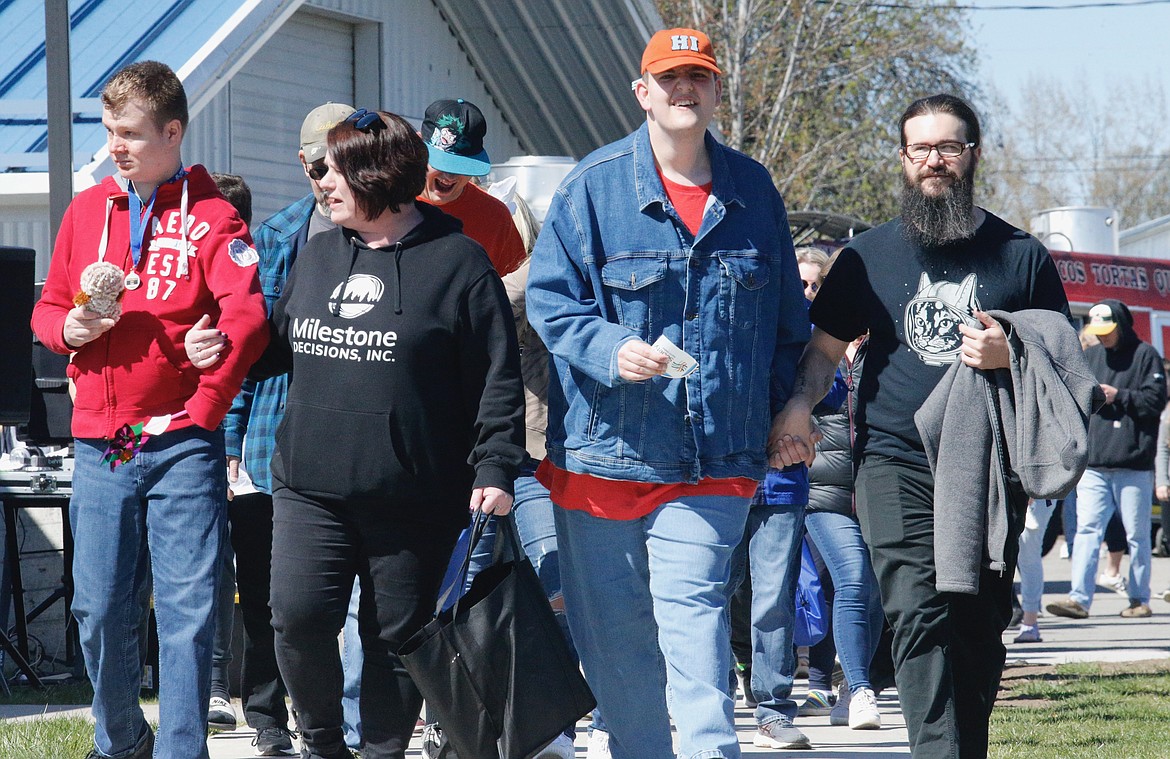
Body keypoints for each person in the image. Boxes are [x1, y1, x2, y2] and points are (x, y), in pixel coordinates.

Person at [526, 27, 810, 759]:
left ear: (717, 92)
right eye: (671, 77)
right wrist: (611, 349)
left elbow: (787, 325)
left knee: (694, 613)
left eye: (700, 78)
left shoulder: (753, 191)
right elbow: (552, 306)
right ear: (642, 92)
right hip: (603, 458)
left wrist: (781, 407)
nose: (686, 90)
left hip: (716, 458)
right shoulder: (591, 187)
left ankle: (714, 749)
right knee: (618, 647)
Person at [770, 93, 1070, 758]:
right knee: (916, 610)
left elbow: (1059, 360)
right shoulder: (867, 256)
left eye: (949, 147)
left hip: (988, 469)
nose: (935, 160)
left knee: (975, 621)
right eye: (921, 148)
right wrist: (797, 404)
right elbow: (823, 354)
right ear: (904, 160)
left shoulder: (1021, 256)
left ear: (974, 154)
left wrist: (1009, 351)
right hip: (893, 460)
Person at [250, 108, 524, 759]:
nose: (323, 181)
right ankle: (322, 742)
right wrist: (218, 344)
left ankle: (379, 753)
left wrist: (494, 466)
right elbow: (272, 348)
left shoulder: (460, 265)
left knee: (394, 638)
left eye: (336, 169)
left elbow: (497, 376)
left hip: (414, 492)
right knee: (297, 616)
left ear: (378, 175)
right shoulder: (317, 254)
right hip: (309, 485)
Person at [30, 61, 269, 759]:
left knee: (189, 613)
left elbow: (247, 319)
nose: (116, 147)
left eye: (130, 133)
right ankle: (121, 739)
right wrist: (66, 332)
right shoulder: (87, 209)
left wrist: (205, 404)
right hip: (106, 442)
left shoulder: (212, 217)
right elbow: (48, 308)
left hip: (181, 443)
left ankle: (180, 749)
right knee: (97, 609)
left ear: (172, 131)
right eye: (108, 132)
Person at [338, 96, 526, 752]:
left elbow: (502, 337)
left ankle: (450, 718)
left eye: (458, 169)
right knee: (378, 591)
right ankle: (369, 726)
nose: (442, 180)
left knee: (455, 587)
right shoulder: (375, 200)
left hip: (461, 425)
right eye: (435, 164)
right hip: (382, 423)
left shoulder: (494, 222)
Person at [189, 104, 357, 755]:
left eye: (341, 162)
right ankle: (266, 717)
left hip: (354, 449)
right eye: (319, 165)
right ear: (303, 164)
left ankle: (346, 719)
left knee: (339, 604)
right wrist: (230, 446)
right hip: (270, 442)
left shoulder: (386, 233)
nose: (328, 177)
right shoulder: (279, 237)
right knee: (264, 593)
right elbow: (242, 352)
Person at [1047, 300, 1165, 620]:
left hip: (1133, 465)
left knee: (1137, 536)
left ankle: (1139, 599)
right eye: (1098, 332)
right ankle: (1079, 600)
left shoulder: (1146, 356)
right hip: (1096, 465)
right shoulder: (1091, 356)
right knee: (1087, 530)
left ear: (1122, 326)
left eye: (1109, 331)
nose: (1104, 338)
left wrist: (1120, 395)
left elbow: (1156, 401)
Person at [416, 97, 526, 275]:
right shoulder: (388, 202)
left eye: (461, 166)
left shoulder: (495, 217)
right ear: (418, 146)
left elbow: (511, 293)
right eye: (442, 163)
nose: (449, 176)